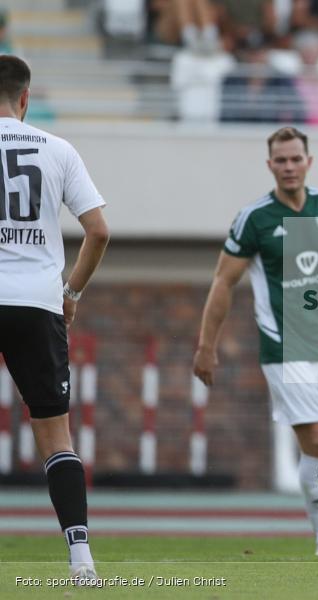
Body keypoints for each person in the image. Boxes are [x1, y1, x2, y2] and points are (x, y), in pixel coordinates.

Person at [192, 127, 318, 556]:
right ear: (270, 165)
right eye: (281, 160)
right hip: (285, 349)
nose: (290, 167)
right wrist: (207, 345)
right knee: (314, 441)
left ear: (308, 162)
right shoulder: (255, 219)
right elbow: (223, 282)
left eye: (296, 159)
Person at [0, 55, 109, 581]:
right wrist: (72, 292)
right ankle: (80, 559)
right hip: (37, 302)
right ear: (25, 98)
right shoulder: (57, 149)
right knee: (53, 434)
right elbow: (99, 230)